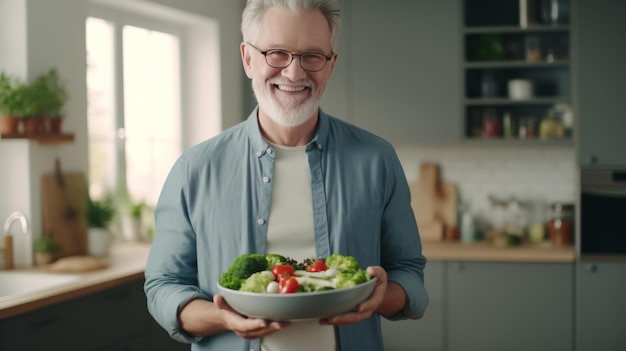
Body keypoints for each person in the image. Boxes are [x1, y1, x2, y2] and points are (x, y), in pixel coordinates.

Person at [144, 0, 429, 350]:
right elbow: (164, 286)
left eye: (312, 56)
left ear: (331, 64)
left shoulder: (377, 159)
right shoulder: (194, 169)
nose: (294, 74)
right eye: (276, 53)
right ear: (248, 59)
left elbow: (409, 274)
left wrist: (382, 296)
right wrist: (223, 317)